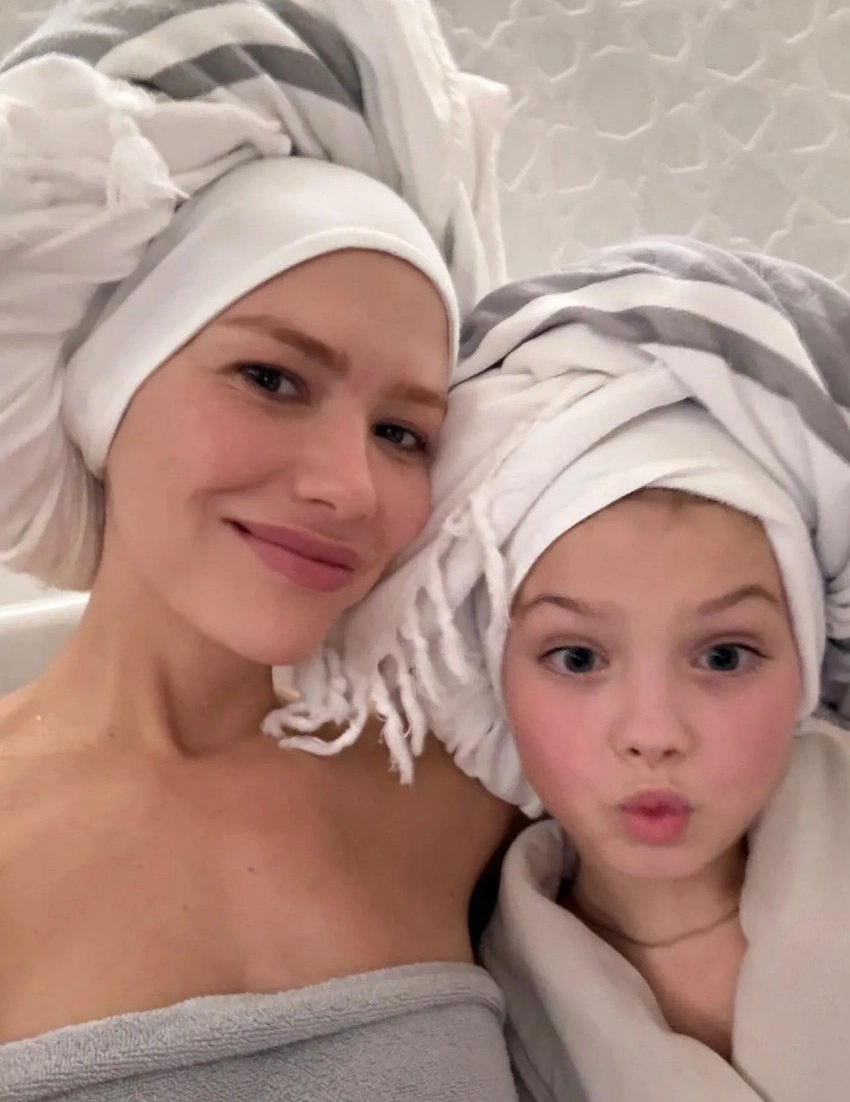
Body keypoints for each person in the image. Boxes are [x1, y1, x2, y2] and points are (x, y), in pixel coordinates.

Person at [0, 0, 518, 1102]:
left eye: (403, 431)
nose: (348, 485)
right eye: (272, 379)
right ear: (105, 390)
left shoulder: (472, 785)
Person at [326, 238, 850, 1101]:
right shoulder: (467, 1007)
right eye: (576, 657)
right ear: (492, 674)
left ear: (805, 658)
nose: (652, 732)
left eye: (723, 655)